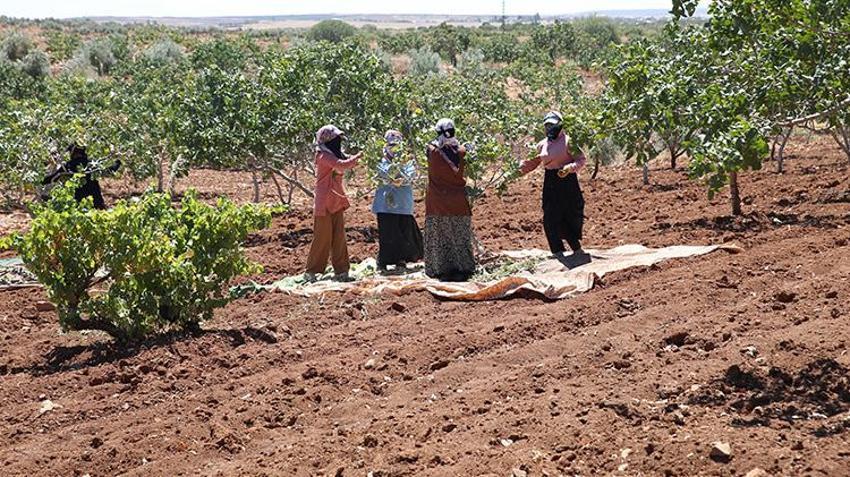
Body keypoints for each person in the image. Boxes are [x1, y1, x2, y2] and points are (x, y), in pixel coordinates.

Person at [519, 111, 587, 257]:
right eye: (547, 126)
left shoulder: (569, 141)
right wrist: (516, 170)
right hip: (551, 181)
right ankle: (557, 251)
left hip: (567, 181)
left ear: (560, 125)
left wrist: (569, 168)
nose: (550, 129)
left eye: (553, 125)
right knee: (550, 215)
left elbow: (581, 160)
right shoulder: (542, 144)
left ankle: (576, 248)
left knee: (568, 213)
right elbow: (533, 162)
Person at [305, 125, 362, 282]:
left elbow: (344, 160)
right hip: (324, 202)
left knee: (339, 237)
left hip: (336, 201)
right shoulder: (323, 156)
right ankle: (312, 271)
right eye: (335, 139)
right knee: (322, 237)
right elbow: (342, 165)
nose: (338, 141)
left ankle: (342, 270)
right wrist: (358, 157)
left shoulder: (335, 154)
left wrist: (360, 157)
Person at [424, 118, 476, 282]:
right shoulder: (462, 152)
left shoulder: (431, 151)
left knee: (439, 235)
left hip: (437, 203)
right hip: (458, 202)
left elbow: (433, 146)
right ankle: (464, 267)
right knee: (460, 235)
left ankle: (439, 269)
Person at [372, 130, 424, 273]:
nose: (393, 148)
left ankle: (401, 261)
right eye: (391, 145)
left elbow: (410, 175)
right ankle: (383, 261)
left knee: (403, 232)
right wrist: (393, 176)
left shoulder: (407, 161)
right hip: (385, 204)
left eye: (396, 145)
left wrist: (398, 177)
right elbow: (380, 174)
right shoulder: (380, 160)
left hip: (402, 203)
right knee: (387, 233)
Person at [41, 143, 121, 210]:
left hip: (78, 206)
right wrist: (118, 161)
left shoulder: (68, 166)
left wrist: (39, 181)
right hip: (96, 204)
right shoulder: (91, 165)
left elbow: (51, 178)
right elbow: (110, 170)